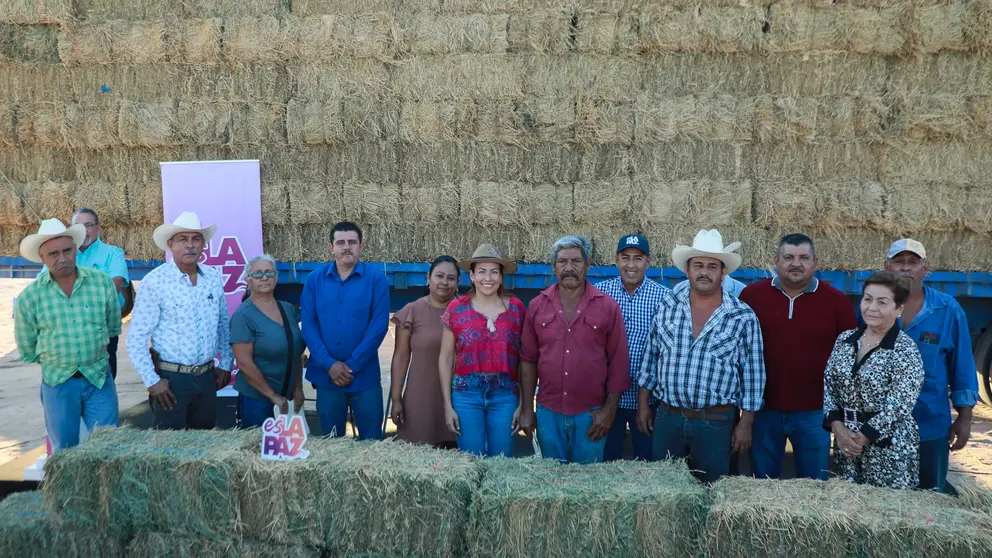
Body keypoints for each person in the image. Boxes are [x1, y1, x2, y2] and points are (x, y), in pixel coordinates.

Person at [636, 229, 765, 483]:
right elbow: (651, 358)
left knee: (712, 491)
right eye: (698, 265)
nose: (704, 272)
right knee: (666, 491)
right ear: (687, 270)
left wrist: (746, 423)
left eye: (712, 266)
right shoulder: (668, 305)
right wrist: (643, 405)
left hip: (716, 423)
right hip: (668, 418)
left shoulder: (742, 316)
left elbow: (753, 376)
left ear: (723, 272)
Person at [740, 234, 857, 480]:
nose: (796, 264)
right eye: (789, 257)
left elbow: (847, 360)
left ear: (815, 262)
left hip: (815, 414)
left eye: (804, 258)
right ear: (776, 261)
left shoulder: (837, 302)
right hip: (764, 411)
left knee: (814, 486)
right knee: (762, 485)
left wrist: (838, 413)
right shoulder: (751, 297)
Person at [518, 236, 630, 464]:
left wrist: (609, 412)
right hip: (548, 413)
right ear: (553, 266)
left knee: (588, 481)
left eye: (576, 261)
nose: (569, 268)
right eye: (562, 261)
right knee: (551, 479)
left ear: (588, 265)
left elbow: (619, 363)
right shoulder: (537, 306)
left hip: (591, 414)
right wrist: (528, 409)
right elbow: (528, 360)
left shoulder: (607, 307)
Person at [14, 219, 121, 451]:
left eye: (67, 251)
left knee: (109, 447)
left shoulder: (102, 284)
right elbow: (27, 348)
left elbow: (113, 327)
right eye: (53, 254)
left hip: (99, 379)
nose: (62, 258)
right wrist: (61, 360)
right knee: (64, 450)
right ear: (42, 257)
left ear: (75, 250)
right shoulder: (29, 298)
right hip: (58, 384)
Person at [882, 239, 978, 492]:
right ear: (886, 266)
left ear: (925, 269)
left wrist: (965, 417)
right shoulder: (872, 308)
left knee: (930, 497)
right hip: (880, 426)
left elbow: (963, 367)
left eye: (913, 262)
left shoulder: (947, 309)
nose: (906, 268)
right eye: (899, 262)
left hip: (930, 424)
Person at [126, 212, 233, 430]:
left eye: (196, 239)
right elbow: (136, 338)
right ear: (170, 244)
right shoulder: (155, 282)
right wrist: (152, 381)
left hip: (206, 377)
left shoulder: (212, 277)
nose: (190, 245)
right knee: (169, 445)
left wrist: (225, 364)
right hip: (171, 381)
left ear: (203, 245)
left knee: (205, 442)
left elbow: (223, 324)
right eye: (183, 239)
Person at [824, 271, 925, 489]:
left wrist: (864, 436)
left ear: (899, 309)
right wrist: (838, 428)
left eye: (882, 302)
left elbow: (900, 404)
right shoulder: (845, 340)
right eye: (867, 299)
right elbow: (829, 386)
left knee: (885, 507)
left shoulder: (905, 350)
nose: (872, 307)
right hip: (847, 444)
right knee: (848, 503)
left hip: (888, 447)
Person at [301, 221, 389, 440]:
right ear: (331, 248)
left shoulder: (376, 279)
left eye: (352, 242)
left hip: (364, 376)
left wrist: (352, 365)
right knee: (332, 442)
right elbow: (309, 326)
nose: (346, 247)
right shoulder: (314, 280)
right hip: (327, 377)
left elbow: (379, 326)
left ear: (361, 246)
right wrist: (329, 364)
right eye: (340, 243)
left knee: (372, 443)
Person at [438, 245, 525, 457]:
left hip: (505, 395)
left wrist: (523, 404)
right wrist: (448, 405)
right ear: (472, 276)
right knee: (470, 461)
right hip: (466, 395)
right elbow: (446, 357)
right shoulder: (456, 308)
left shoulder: (516, 308)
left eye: (494, 272)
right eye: (482, 272)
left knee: (502, 462)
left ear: (501, 277)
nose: (488, 278)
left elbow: (525, 359)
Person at [597, 233, 669, 461]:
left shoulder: (664, 298)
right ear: (616, 260)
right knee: (607, 462)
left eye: (638, 258)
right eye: (625, 257)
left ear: (648, 262)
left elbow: (664, 351)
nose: (631, 265)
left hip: (648, 400)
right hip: (608, 399)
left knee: (647, 463)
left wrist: (646, 402)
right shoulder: (600, 294)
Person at [40, 209, 130, 379]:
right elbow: (44, 284)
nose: (83, 230)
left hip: (102, 329)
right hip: (65, 331)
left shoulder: (113, 253)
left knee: (103, 380)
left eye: (88, 225)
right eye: (78, 226)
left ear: (98, 228)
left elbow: (116, 285)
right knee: (67, 381)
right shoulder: (61, 254)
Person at [389, 256, 460, 448]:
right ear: (428, 277)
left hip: (459, 399)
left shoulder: (467, 311)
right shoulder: (412, 311)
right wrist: (396, 399)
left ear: (458, 282)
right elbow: (401, 357)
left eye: (451, 278)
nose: (444, 282)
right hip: (420, 397)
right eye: (439, 276)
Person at [231, 255, 306, 428]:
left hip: (287, 398)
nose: (264, 277)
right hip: (257, 401)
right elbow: (244, 364)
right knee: (258, 445)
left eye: (269, 272)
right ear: (248, 280)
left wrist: (298, 388)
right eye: (257, 274)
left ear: (276, 277)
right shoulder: (243, 315)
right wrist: (273, 396)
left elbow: (295, 351)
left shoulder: (287, 309)